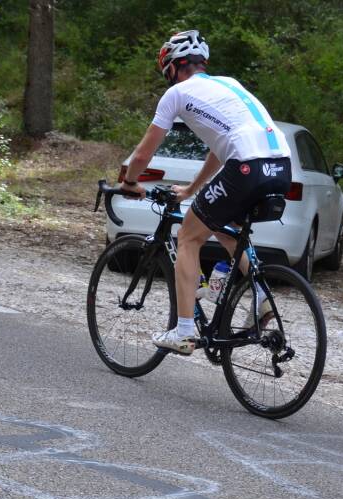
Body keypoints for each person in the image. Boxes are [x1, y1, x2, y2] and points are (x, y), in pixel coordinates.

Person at [119, 30, 292, 355]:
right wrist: (191, 190)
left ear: (172, 67)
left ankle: (184, 331)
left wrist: (129, 181)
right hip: (281, 166)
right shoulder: (229, 84)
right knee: (225, 230)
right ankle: (261, 300)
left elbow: (142, 155)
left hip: (246, 166)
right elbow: (219, 149)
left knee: (188, 237)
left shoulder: (177, 94)